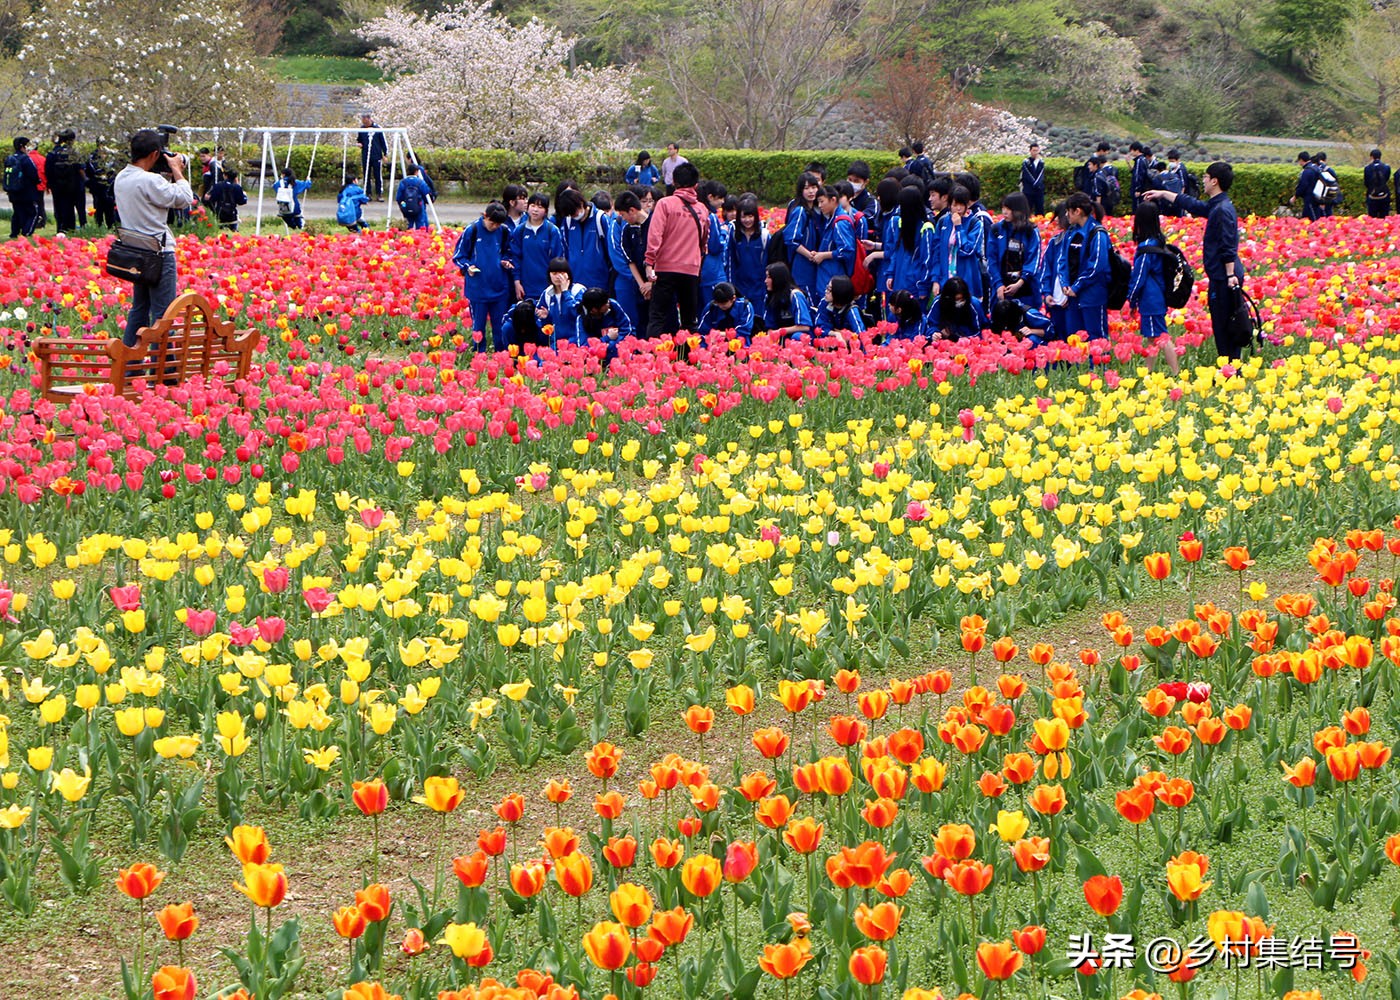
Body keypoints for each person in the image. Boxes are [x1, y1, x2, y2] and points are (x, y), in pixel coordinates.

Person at [1144, 161, 1245, 360]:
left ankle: (1231, 369)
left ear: (1214, 181)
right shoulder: (1218, 205)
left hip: (1224, 277)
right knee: (1222, 324)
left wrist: (1230, 274)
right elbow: (1195, 206)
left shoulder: (1222, 210)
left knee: (1225, 324)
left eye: (1206, 177)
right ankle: (1230, 367)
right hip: (1222, 275)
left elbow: (1228, 245)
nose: (1203, 181)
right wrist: (1164, 194)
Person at [113, 129, 193, 345]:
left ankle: (129, 370)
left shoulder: (122, 177)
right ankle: (163, 374)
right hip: (159, 254)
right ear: (155, 154)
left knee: (139, 311)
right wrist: (177, 170)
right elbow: (185, 198)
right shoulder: (150, 181)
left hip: (135, 253)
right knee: (163, 316)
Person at [644, 161, 709, 338]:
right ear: (696, 185)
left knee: (657, 316)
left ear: (674, 182)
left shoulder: (665, 204)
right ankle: (688, 359)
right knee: (689, 320)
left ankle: (652, 356)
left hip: (666, 268)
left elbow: (655, 235)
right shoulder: (702, 209)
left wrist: (650, 262)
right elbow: (704, 241)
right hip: (691, 269)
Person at [453, 202, 515, 352]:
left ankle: (501, 353)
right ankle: (479, 353)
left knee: (500, 325)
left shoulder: (505, 231)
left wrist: (506, 261)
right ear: (485, 216)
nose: (495, 227)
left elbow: (509, 251)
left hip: (499, 287)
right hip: (478, 288)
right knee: (478, 326)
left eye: (498, 224)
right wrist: (468, 267)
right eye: (492, 223)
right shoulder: (472, 230)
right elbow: (458, 256)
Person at [1127, 203, 1179, 375]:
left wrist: (1132, 299)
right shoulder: (1158, 242)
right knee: (1153, 337)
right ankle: (1147, 372)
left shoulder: (1146, 248)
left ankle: (1175, 372)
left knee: (1161, 337)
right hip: (1158, 296)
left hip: (1150, 299)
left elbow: (1139, 276)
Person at [1057, 191, 1111, 342]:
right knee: (1075, 338)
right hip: (1072, 295)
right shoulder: (1071, 232)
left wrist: (1077, 286)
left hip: (1092, 295)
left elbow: (1096, 266)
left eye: (1068, 211)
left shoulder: (1098, 233)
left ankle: (1097, 366)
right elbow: (1062, 261)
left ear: (1077, 211)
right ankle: (1082, 366)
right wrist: (1065, 284)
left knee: (1096, 339)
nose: (1066, 215)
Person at [882, 186, 936, 313]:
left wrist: (923, 287)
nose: (899, 209)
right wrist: (890, 274)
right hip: (899, 282)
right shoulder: (901, 224)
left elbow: (927, 260)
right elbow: (895, 252)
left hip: (914, 286)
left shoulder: (926, 228)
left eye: (902, 205)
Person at [988, 193, 1040, 313]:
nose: (1005, 212)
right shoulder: (996, 229)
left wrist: (1020, 282)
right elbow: (992, 259)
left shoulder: (1031, 231)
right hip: (1002, 287)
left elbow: (1034, 260)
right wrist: (998, 284)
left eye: (1009, 209)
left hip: (1026, 289)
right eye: (1003, 208)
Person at [510, 193, 566, 303]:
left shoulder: (552, 231)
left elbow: (558, 259)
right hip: (526, 287)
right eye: (533, 206)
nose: (535, 210)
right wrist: (517, 282)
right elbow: (515, 258)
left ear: (545, 211)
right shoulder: (520, 231)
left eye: (540, 207)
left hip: (547, 286)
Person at [558, 187, 613, 295]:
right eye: (571, 215)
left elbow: (610, 250)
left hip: (599, 281)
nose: (575, 216)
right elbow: (564, 249)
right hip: (575, 282)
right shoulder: (568, 222)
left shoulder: (600, 219)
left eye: (575, 212)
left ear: (581, 203)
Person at [609, 189, 650, 334]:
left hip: (657, 283)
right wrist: (642, 285)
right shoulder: (627, 230)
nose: (622, 218)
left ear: (632, 210)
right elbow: (629, 260)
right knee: (640, 323)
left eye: (623, 215)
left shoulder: (655, 224)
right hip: (640, 287)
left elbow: (660, 255)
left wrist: (651, 282)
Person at [729, 196, 768, 322]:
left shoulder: (764, 235)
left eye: (750, 216)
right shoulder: (735, 235)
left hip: (759, 285)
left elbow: (768, 261)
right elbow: (732, 261)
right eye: (743, 217)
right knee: (741, 320)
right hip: (740, 285)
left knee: (758, 320)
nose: (747, 220)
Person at [946, 184, 988, 302]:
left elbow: (968, 250)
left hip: (967, 276)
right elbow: (938, 251)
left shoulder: (975, 224)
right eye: (955, 205)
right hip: (947, 275)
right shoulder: (943, 222)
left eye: (961, 204)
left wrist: (959, 227)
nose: (958, 209)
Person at [783, 172, 823, 296]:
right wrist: (809, 255)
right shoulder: (800, 211)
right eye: (806, 188)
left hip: (816, 263)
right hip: (802, 264)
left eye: (813, 187)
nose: (811, 191)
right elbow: (791, 239)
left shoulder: (818, 210)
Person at [697, 179, 732, 309]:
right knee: (714, 309)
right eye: (720, 198)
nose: (723, 202)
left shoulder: (696, 213)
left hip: (698, 269)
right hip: (712, 271)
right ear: (710, 197)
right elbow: (716, 246)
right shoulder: (710, 217)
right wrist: (724, 232)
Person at [574, 286, 633, 361]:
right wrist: (607, 338)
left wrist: (612, 344)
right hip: (596, 359)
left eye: (607, 301)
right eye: (605, 303)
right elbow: (584, 346)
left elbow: (627, 329)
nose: (608, 303)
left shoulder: (613, 305)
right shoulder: (581, 319)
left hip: (618, 351)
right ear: (594, 309)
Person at [45, 129, 88, 234]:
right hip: (75, 186)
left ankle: (61, 229)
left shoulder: (53, 153)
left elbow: (48, 170)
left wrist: (49, 185)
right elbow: (80, 168)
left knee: (60, 209)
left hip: (58, 187)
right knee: (79, 209)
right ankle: (81, 228)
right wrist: (86, 180)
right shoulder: (74, 152)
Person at [538, 258, 585, 348]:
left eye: (562, 273)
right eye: (554, 274)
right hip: (555, 343)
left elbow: (577, 313)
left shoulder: (578, 290)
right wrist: (545, 317)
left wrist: (565, 292)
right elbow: (543, 325)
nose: (558, 277)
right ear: (549, 275)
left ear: (568, 275)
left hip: (576, 341)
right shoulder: (547, 294)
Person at [925, 277, 986, 341]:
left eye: (961, 299)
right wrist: (934, 333)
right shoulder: (938, 302)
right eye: (956, 299)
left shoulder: (974, 304)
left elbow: (981, 330)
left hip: (968, 341)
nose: (959, 301)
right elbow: (930, 324)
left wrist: (959, 339)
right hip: (944, 341)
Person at [763, 262, 813, 340]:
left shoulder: (795, 295)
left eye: (769, 277)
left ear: (778, 279)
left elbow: (805, 326)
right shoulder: (769, 297)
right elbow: (770, 326)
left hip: (797, 335)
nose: (765, 281)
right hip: (781, 337)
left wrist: (780, 331)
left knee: (797, 337)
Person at [4, 137, 41, 238]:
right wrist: (38, 181)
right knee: (33, 213)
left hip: (13, 191)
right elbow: (33, 174)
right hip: (27, 191)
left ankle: (14, 233)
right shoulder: (25, 159)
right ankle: (27, 233)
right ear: (23, 146)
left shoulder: (10, 158)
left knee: (17, 212)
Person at [814, 273, 865, 341]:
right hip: (829, 343)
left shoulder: (852, 310)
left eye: (829, 290)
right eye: (827, 288)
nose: (826, 291)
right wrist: (835, 334)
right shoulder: (825, 302)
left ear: (839, 292)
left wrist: (846, 336)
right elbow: (819, 327)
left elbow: (860, 334)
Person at [356, 113, 387, 201]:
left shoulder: (377, 129)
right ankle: (368, 193)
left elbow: (383, 142)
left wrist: (385, 154)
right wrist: (359, 144)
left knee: (377, 175)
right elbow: (359, 140)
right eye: (363, 122)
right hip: (365, 155)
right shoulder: (361, 129)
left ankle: (379, 194)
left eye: (366, 122)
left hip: (376, 155)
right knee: (366, 174)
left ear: (369, 119)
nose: (365, 124)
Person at [87, 145, 118, 229]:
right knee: (98, 209)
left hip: (108, 187)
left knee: (109, 209)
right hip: (97, 188)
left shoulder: (112, 156)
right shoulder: (92, 157)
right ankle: (99, 226)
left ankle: (111, 226)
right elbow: (90, 172)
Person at [395, 164, 432, 230]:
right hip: (419, 206)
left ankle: (408, 236)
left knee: (408, 225)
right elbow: (426, 192)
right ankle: (420, 236)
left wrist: (403, 205)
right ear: (416, 172)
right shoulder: (420, 182)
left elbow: (398, 197)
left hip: (406, 206)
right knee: (420, 225)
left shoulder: (403, 182)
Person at [1291, 152, 1322, 221]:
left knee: (1310, 219)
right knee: (1313, 216)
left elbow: (1303, 185)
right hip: (1317, 197)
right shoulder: (1315, 168)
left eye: (1299, 161)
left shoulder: (1307, 171)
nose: (1299, 163)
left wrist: (1295, 196)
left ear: (1301, 160)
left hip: (1310, 198)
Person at [1020, 143, 1046, 215]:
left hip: (1038, 190)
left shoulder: (1041, 162)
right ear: (1030, 151)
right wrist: (1034, 183)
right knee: (1027, 209)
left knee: (1040, 209)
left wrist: (1037, 184)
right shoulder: (1026, 162)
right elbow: (1027, 174)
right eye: (1034, 150)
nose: (1035, 152)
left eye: (1037, 151)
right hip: (1028, 189)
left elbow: (1041, 174)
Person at [1365, 149, 1391, 219]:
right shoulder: (1387, 167)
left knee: (1372, 218)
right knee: (1384, 217)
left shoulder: (1367, 168)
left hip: (1372, 195)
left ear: (1371, 157)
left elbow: (1366, 182)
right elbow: (1386, 179)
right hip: (1384, 194)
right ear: (1380, 156)